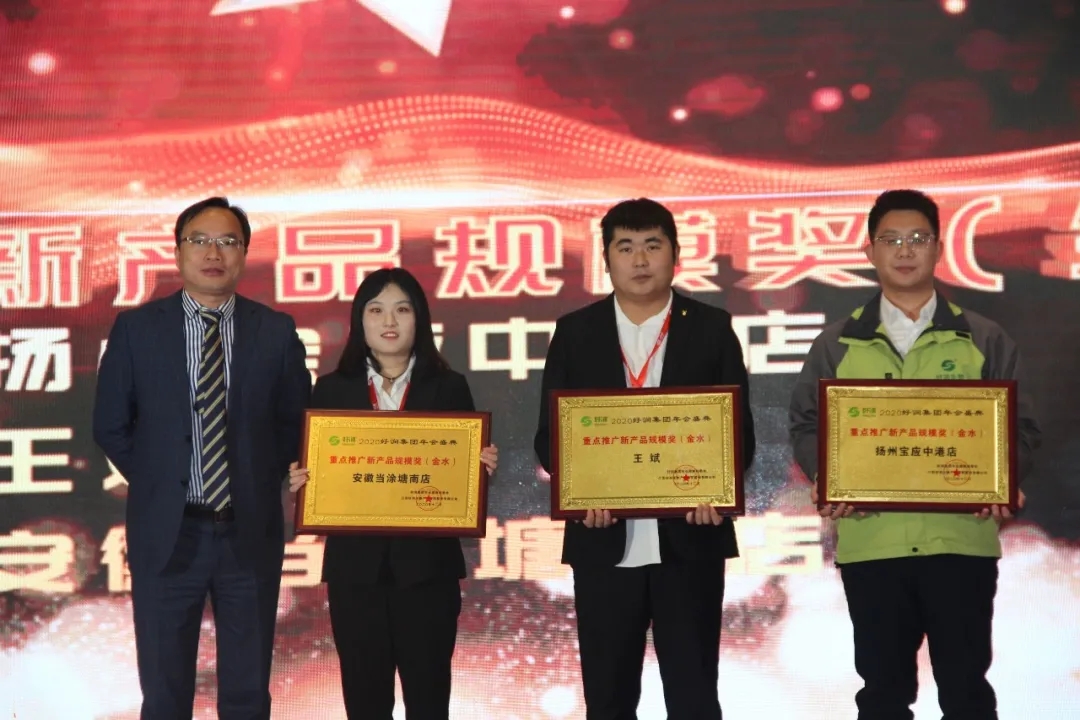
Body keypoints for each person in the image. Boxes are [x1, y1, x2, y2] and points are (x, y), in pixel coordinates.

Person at [788, 189, 1041, 720]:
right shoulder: (837, 342)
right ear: (869, 251)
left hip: (961, 538)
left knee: (966, 691)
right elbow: (808, 424)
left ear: (939, 249)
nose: (905, 251)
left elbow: (1020, 426)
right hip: (872, 539)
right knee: (882, 693)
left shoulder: (983, 337)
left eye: (918, 239)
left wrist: (1003, 478)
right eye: (891, 240)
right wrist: (828, 477)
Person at [533, 198, 756, 719]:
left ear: (675, 255)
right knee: (608, 700)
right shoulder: (576, 332)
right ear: (606, 259)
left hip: (691, 542)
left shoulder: (711, 327)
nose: (639, 260)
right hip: (603, 544)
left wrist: (715, 490)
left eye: (653, 246)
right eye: (626, 247)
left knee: (694, 698)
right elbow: (550, 437)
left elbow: (737, 435)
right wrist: (582, 492)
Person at [93, 197, 312, 719]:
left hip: (248, 533)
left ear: (244, 254)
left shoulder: (275, 331)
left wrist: (258, 479)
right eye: (201, 240)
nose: (214, 253)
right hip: (168, 535)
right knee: (165, 693)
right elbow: (110, 424)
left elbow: (295, 424)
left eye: (228, 242)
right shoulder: (137, 330)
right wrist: (160, 484)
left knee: (247, 694)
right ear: (178, 251)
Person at [287, 267, 498, 720]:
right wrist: (304, 482)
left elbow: (461, 476)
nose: (389, 321)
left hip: (428, 574)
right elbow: (319, 472)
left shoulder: (449, 387)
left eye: (402, 309)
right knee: (365, 703)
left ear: (419, 319)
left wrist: (480, 470)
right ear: (359, 321)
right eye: (376, 310)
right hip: (355, 575)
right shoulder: (331, 390)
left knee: (429, 702)